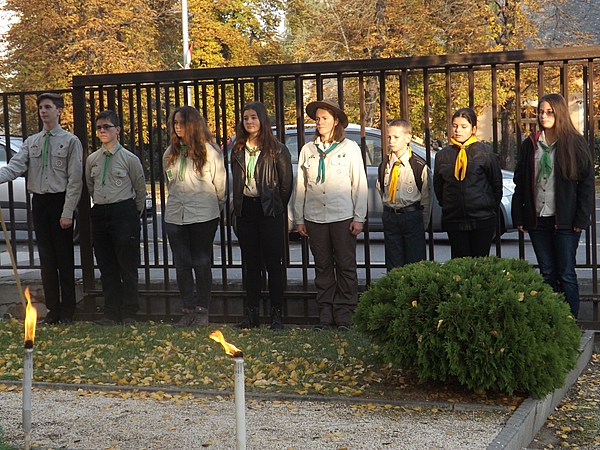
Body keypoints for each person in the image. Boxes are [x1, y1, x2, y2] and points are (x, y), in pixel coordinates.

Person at [0, 93, 83, 325]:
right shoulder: (32, 142)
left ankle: (67, 311)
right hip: (40, 202)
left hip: (59, 201)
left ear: (59, 111)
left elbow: (75, 179)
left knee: (64, 259)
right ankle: (52, 311)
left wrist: (68, 211)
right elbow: (15, 167)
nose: (43, 111)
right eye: (40, 108)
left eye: (47, 107)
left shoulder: (70, 141)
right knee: (46, 259)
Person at [512, 93, 594, 319]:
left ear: (560, 113)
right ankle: (552, 321)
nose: (544, 116)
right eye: (541, 112)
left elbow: (586, 183)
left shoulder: (574, 143)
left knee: (566, 273)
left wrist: (581, 218)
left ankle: (570, 322)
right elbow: (521, 181)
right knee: (547, 272)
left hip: (565, 221)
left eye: (549, 112)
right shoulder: (531, 144)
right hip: (538, 218)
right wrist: (519, 215)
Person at [293, 99, 368, 331]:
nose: (319, 122)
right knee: (322, 267)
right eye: (317, 119)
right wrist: (299, 218)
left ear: (335, 121)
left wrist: (359, 217)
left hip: (342, 217)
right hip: (315, 217)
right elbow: (301, 186)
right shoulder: (308, 150)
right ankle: (325, 316)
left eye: (324, 118)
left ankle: (345, 316)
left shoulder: (350, 148)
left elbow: (359, 184)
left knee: (346, 266)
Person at [231, 101, 293, 330]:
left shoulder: (277, 149)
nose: (249, 122)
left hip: (269, 211)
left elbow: (286, 185)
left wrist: (275, 207)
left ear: (262, 119)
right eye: (246, 118)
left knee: (274, 264)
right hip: (246, 211)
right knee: (252, 265)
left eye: (253, 117)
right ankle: (253, 315)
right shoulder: (238, 149)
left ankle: (277, 315)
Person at [164, 106, 226, 328]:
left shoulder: (210, 152)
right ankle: (187, 310)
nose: (177, 127)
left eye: (182, 122)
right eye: (175, 123)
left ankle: (202, 311)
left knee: (201, 263)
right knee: (182, 265)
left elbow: (220, 186)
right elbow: (169, 183)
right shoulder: (170, 153)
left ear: (193, 124)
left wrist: (215, 209)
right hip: (175, 216)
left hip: (203, 215)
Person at [85, 110, 146, 326]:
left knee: (127, 264)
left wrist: (132, 214)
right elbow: (91, 186)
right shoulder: (93, 159)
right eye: (99, 127)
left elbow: (140, 189)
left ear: (117, 130)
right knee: (106, 265)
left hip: (123, 211)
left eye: (107, 127)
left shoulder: (129, 159)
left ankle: (129, 312)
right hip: (101, 211)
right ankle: (110, 312)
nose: (102, 131)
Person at [433, 107, 502, 258]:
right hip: (454, 218)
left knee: (480, 262)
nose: (458, 130)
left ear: (473, 129)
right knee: (460, 262)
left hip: (482, 218)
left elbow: (496, 184)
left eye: (464, 126)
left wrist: (488, 206)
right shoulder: (443, 155)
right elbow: (438, 186)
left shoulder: (485, 152)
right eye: (455, 126)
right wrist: (448, 205)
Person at [377, 119, 432, 271]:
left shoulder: (418, 166)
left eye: (396, 137)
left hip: (411, 216)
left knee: (415, 264)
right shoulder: (385, 165)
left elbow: (426, 198)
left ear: (408, 138)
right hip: (391, 216)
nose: (391, 141)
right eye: (389, 137)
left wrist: (422, 223)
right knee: (393, 264)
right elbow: (381, 189)